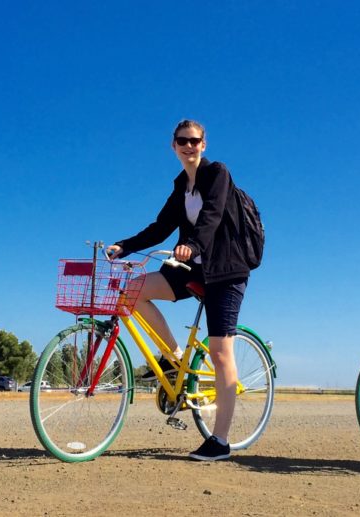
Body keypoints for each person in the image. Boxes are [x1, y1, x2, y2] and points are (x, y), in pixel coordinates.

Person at [105, 119, 251, 462]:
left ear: (204, 144)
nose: (189, 146)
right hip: (192, 264)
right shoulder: (181, 186)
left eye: (195, 141)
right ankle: (172, 362)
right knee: (131, 292)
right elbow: (160, 227)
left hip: (227, 269)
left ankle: (221, 441)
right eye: (182, 141)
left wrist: (192, 245)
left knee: (220, 352)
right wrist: (125, 246)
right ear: (173, 146)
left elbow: (212, 217)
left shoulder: (218, 173)